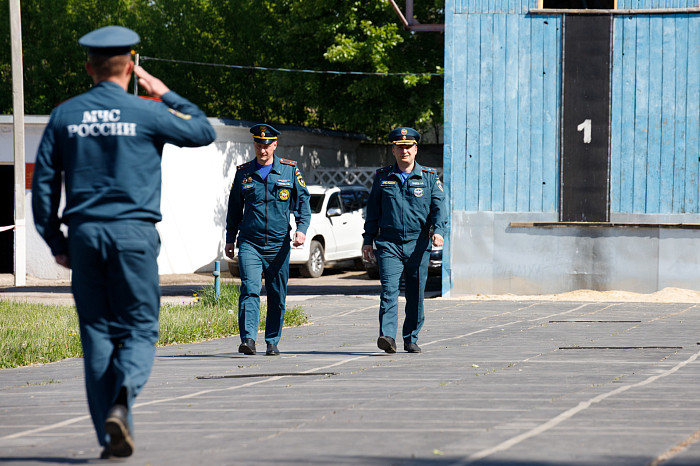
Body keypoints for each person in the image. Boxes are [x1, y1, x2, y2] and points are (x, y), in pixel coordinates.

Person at [31, 26, 216, 459]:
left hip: (86, 236)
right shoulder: (148, 111)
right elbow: (203, 130)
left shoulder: (65, 116)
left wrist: (56, 239)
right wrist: (164, 91)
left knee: (96, 334)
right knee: (139, 328)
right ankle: (123, 399)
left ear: (88, 66)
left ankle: (109, 437)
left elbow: (43, 186)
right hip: (133, 234)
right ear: (131, 67)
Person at [225, 124, 311, 356]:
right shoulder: (243, 173)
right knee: (250, 290)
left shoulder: (289, 171)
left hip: (278, 244)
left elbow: (303, 202)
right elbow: (234, 209)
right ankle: (249, 340)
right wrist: (230, 239)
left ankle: (272, 340)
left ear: (274, 145)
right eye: (258, 145)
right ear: (254, 145)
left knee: (276, 294)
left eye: (266, 145)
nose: (262, 150)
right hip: (250, 243)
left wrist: (301, 229)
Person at [362, 127, 447, 354]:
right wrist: (368, 240)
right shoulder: (382, 177)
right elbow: (373, 212)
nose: (404, 151)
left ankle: (411, 337)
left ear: (416, 149)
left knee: (415, 294)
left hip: (418, 244)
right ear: (393, 150)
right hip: (389, 244)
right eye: (400, 147)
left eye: (408, 147)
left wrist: (438, 231)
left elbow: (439, 208)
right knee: (389, 290)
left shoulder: (429, 177)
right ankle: (387, 336)